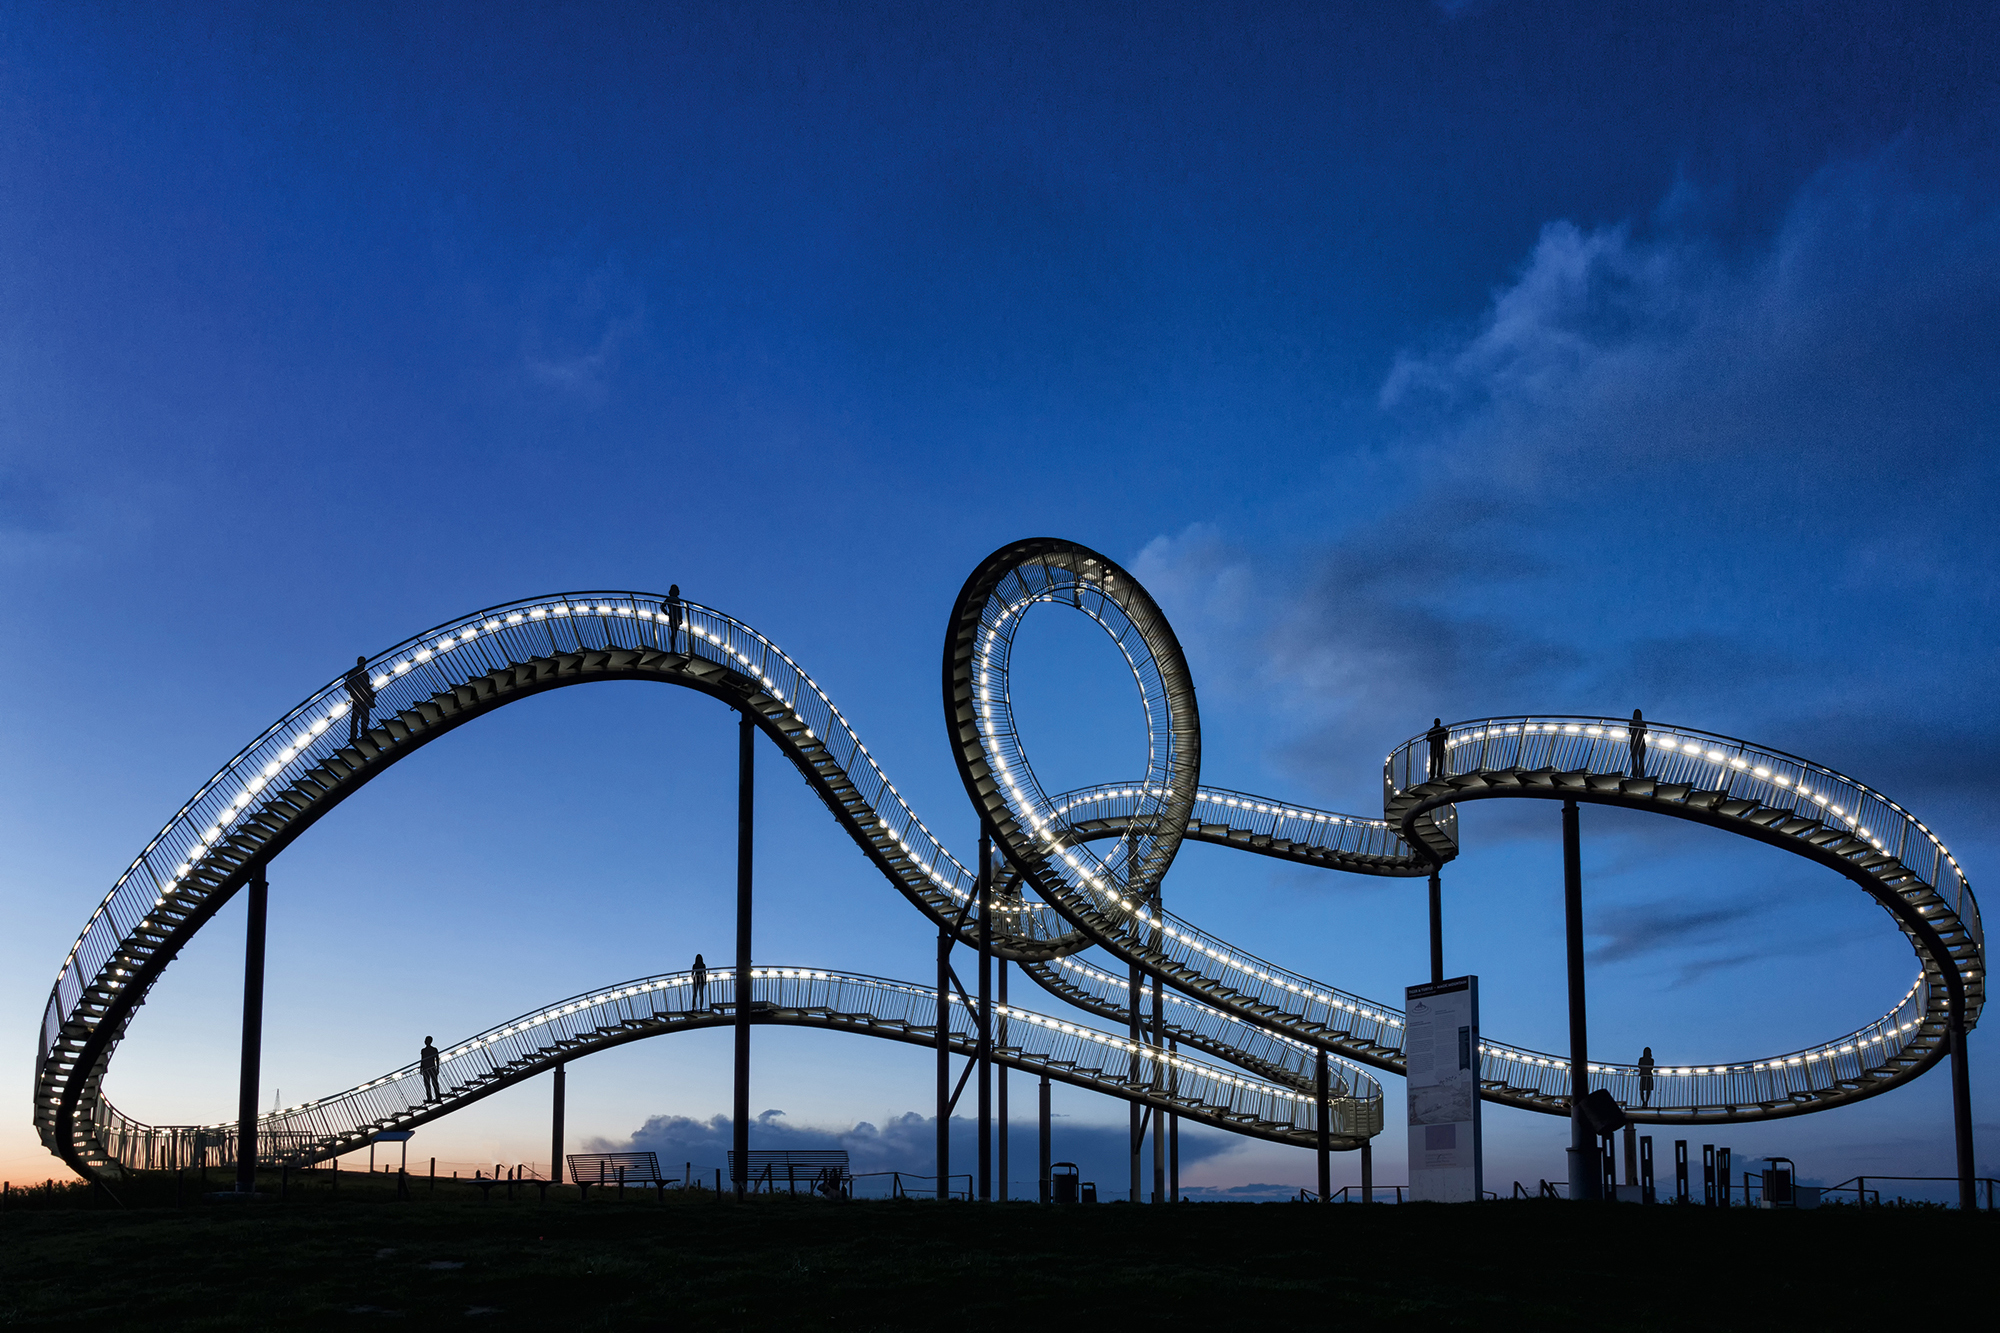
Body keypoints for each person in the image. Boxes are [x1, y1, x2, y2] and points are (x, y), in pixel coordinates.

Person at [345, 656, 376, 744]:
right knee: (357, 718)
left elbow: (366, 686)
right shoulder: (355, 673)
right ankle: (354, 736)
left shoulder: (364, 673)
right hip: (358, 698)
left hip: (363, 698)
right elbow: (347, 685)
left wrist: (370, 692)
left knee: (364, 717)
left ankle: (362, 734)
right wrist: (355, 691)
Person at [665, 585, 685, 653]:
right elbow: (662, 606)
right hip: (674, 617)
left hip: (674, 617)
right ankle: (672, 649)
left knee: (674, 633)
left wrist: (667, 613)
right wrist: (667, 613)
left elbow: (679, 609)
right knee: (674, 633)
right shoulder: (673, 599)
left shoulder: (674, 599)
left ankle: (672, 649)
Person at [1628, 709, 1648, 780]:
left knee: (1634, 759)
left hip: (1633, 742)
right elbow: (1646, 732)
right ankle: (1641, 775)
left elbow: (1630, 731)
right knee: (1641, 759)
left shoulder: (1631, 722)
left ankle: (1634, 775)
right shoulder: (1643, 723)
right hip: (1641, 742)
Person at [420, 1036, 441, 1102]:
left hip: (430, 1068)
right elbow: (422, 1060)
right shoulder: (424, 1050)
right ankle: (431, 1098)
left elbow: (437, 1059)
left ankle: (436, 1097)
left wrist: (437, 1068)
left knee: (433, 1083)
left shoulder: (433, 1049)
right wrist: (421, 1068)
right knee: (428, 1083)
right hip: (428, 1068)